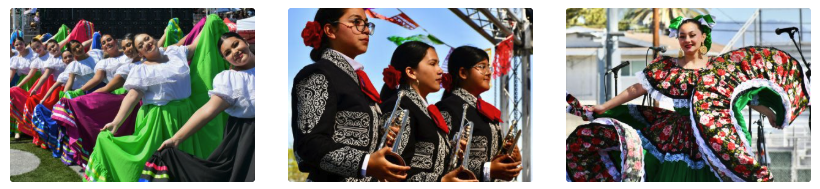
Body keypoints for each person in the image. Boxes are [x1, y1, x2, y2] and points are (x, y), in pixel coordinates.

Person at [565, 15, 810, 182]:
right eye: (682, 36)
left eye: (692, 35)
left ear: (703, 36)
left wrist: (769, 113)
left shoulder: (719, 68)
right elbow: (637, 89)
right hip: (678, 135)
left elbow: (742, 96)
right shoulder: (668, 67)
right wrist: (604, 106)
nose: (687, 40)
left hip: (715, 134)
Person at [291, 8, 411, 182]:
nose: (366, 30)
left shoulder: (355, 79)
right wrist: (366, 163)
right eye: (356, 22)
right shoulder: (318, 73)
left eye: (367, 24)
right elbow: (309, 143)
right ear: (330, 30)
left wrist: (382, 134)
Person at [140, 32, 255, 182]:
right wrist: (176, 139)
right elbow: (208, 110)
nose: (235, 52)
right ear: (225, 59)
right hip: (248, 137)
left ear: (245, 41)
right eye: (227, 53)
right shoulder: (230, 79)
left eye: (235, 45)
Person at [379, 41, 477, 182]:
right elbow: (393, 170)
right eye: (432, 64)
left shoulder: (421, 108)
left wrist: (453, 151)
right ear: (411, 72)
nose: (440, 70)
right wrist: (442, 182)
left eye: (438, 64)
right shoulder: (401, 106)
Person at [436, 46, 522, 182]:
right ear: (463, 73)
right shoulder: (447, 108)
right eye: (482, 67)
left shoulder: (485, 111)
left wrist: (509, 156)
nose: (489, 73)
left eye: (489, 67)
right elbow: (440, 159)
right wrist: (488, 169)